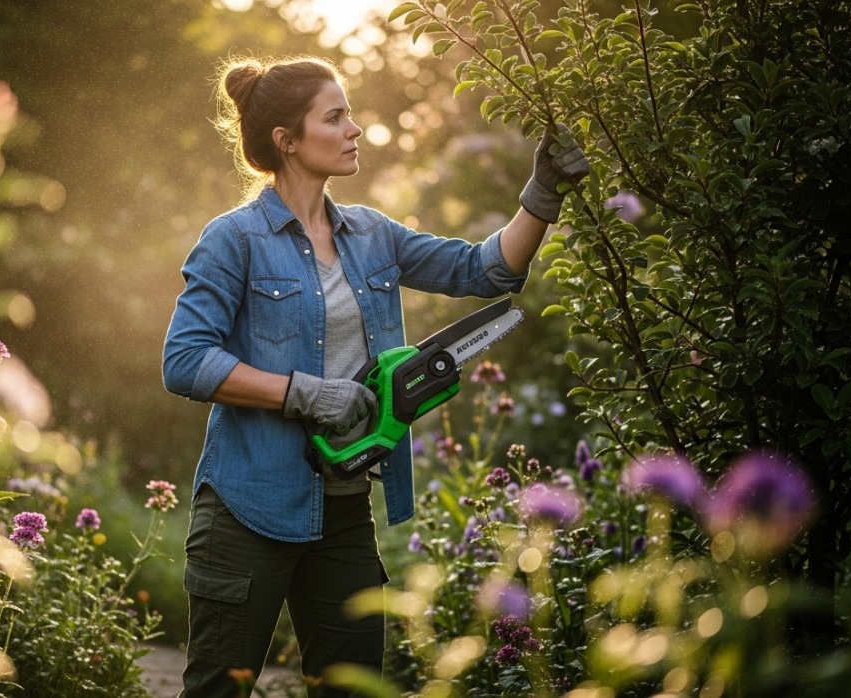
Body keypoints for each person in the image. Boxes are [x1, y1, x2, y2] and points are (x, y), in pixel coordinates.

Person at [161, 55, 587, 697]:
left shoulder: (372, 236)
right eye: (335, 118)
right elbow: (186, 359)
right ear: (288, 141)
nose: (355, 128)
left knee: (355, 689)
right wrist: (304, 393)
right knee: (219, 690)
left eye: (350, 113)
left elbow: (485, 272)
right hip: (247, 510)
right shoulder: (235, 240)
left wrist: (543, 194)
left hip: (343, 512)